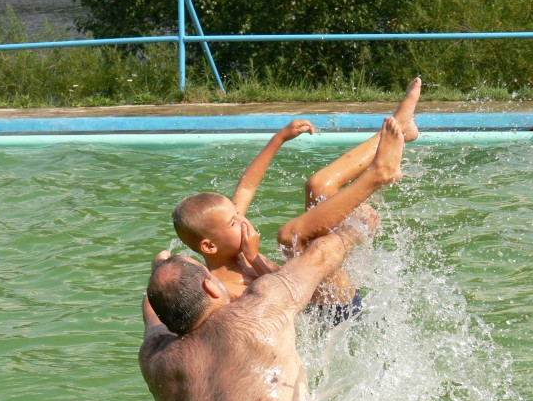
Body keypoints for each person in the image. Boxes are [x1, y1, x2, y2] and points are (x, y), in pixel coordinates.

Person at [139, 201, 383, 401]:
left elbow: (152, 312)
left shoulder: (153, 357)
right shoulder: (258, 312)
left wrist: (161, 270)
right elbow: (319, 256)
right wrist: (355, 228)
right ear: (210, 287)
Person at [171, 78, 421, 310]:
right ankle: (378, 177)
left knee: (319, 187)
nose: (242, 220)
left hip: (329, 284)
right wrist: (255, 258)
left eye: (237, 215)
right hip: (334, 311)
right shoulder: (225, 290)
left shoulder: (234, 246)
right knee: (290, 237)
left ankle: (402, 127)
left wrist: (279, 138)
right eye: (234, 222)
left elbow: (247, 187)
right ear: (209, 246)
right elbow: (288, 294)